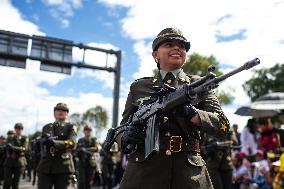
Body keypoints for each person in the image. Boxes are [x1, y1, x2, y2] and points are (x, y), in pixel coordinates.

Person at [118, 28, 230, 189]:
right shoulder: (139, 87)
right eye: (169, 44)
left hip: (189, 174)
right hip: (143, 173)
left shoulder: (199, 84)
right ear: (155, 55)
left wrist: (193, 113)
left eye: (182, 46)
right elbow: (121, 127)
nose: (177, 48)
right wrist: (126, 137)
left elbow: (222, 126)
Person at [37, 103, 77, 189]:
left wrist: (54, 142)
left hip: (63, 165)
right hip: (46, 165)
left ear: (67, 113)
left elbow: (72, 142)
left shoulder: (70, 127)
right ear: (54, 113)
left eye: (63, 110)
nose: (60, 111)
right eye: (58, 110)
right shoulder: (46, 127)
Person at [3, 123, 29, 189]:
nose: (18, 130)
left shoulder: (24, 138)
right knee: (7, 182)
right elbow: (6, 146)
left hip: (19, 161)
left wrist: (14, 147)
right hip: (9, 161)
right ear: (15, 129)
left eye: (20, 129)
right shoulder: (11, 137)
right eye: (17, 128)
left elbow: (25, 148)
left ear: (22, 129)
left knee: (15, 182)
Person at [76, 125, 99, 189]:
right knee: (81, 182)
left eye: (89, 130)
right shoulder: (80, 140)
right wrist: (79, 151)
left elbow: (97, 148)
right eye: (86, 130)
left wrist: (86, 150)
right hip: (82, 162)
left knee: (89, 182)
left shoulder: (94, 139)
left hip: (91, 163)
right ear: (84, 131)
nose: (88, 132)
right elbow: (77, 150)